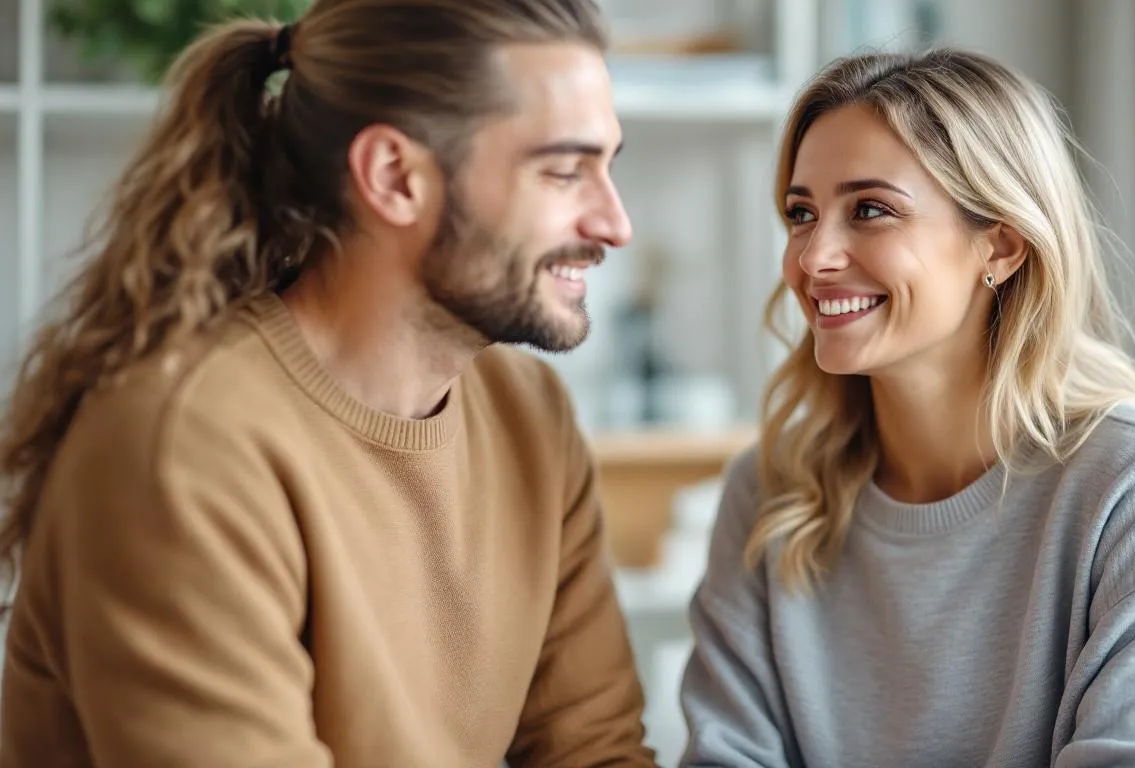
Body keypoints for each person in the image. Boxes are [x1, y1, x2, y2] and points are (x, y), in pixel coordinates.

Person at [0, 1, 658, 766]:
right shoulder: (181, 441)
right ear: (394, 178)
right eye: (564, 171)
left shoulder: (530, 414)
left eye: (609, 166)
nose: (615, 223)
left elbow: (594, 752)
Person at [679, 48, 1135, 767]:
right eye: (802, 214)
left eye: (870, 210)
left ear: (1003, 244)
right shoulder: (769, 493)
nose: (813, 257)